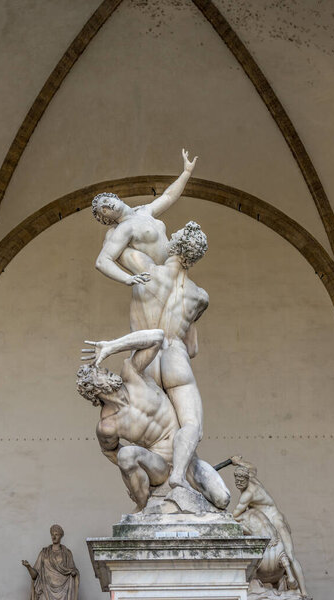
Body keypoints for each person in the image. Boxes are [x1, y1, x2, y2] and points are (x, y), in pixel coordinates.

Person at [77, 329, 230, 511]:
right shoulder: (108, 425)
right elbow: (110, 452)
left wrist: (112, 346)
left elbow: (157, 336)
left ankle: (178, 477)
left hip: (188, 459)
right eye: (100, 372)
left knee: (222, 499)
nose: (106, 371)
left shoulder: (132, 374)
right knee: (126, 455)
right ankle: (143, 506)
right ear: (92, 388)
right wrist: (135, 476)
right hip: (159, 466)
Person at [122, 221, 209, 492]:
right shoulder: (199, 296)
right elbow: (192, 348)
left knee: (153, 432)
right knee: (191, 424)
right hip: (175, 357)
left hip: (146, 359)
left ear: (172, 245)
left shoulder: (145, 267)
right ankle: (178, 476)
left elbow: (117, 246)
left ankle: (151, 478)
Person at [93, 148, 197, 286]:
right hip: (160, 279)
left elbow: (169, 196)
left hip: (175, 271)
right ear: (106, 219)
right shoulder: (124, 228)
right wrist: (127, 278)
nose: (107, 207)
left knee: (202, 298)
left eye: (106, 201)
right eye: (103, 210)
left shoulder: (145, 211)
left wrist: (186, 173)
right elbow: (102, 261)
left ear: (115, 198)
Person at [232, 458, 309, 598]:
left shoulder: (247, 494)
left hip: (275, 520)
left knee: (290, 556)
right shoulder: (253, 479)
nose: (239, 484)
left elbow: (235, 515)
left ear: (246, 479)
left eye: (241, 481)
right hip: (268, 519)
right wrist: (238, 462)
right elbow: (252, 468)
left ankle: (304, 592)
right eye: (236, 481)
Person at [22, 524, 79, 600]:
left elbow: (73, 571)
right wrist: (28, 567)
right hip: (45, 588)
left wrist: (74, 573)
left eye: (56, 534)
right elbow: (34, 576)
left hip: (63, 590)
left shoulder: (67, 553)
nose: (54, 537)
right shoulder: (44, 553)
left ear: (61, 536)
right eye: (52, 534)